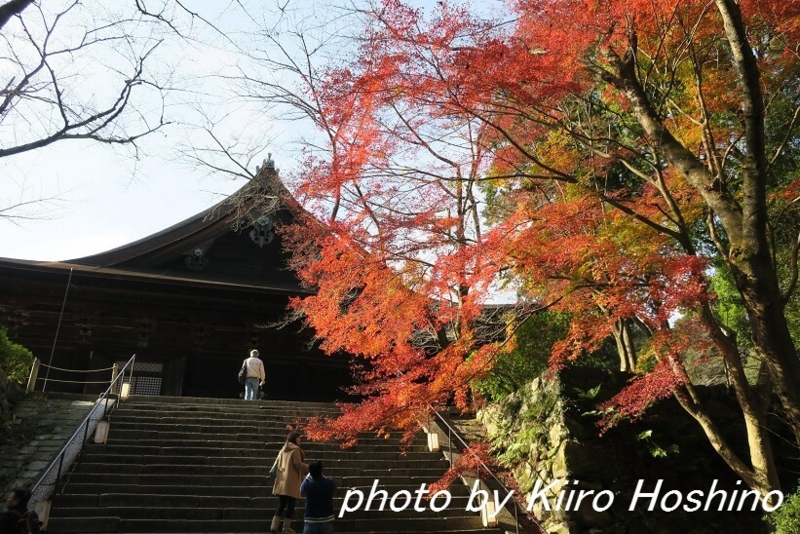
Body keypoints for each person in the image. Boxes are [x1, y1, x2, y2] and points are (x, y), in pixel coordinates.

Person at [270, 431, 309, 534]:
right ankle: (286, 527)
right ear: (294, 438)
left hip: (282, 480)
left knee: (282, 504)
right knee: (291, 504)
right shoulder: (295, 450)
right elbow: (297, 464)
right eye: (299, 438)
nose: (300, 440)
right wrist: (309, 467)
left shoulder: (283, 449)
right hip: (291, 481)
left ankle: (274, 526)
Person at [300, 461, 336, 534]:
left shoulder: (308, 486)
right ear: (321, 470)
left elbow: (301, 489)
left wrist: (309, 476)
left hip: (311, 520)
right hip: (327, 519)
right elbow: (333, 486)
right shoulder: (329, 483)